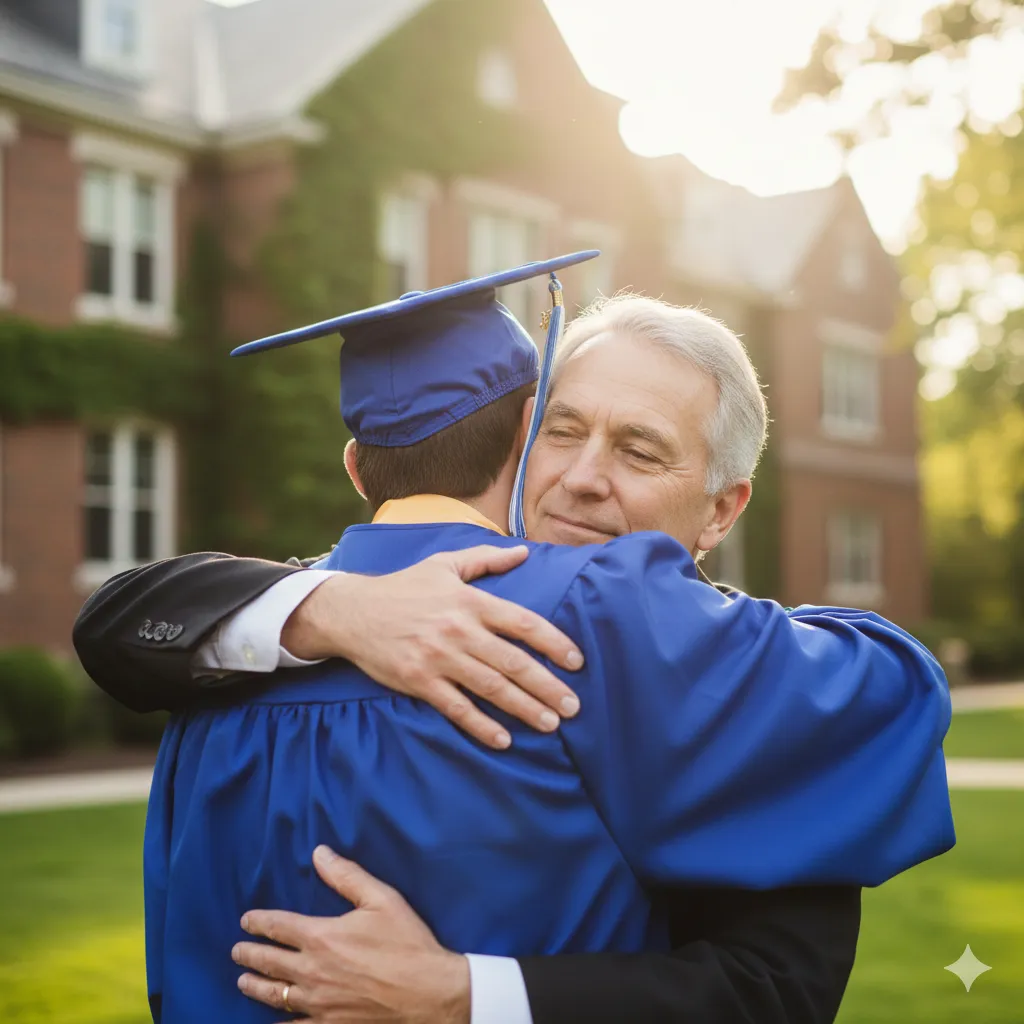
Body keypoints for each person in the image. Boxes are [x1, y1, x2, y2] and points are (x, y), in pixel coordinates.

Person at [76, 262, 953, 1024]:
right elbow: (124, 619)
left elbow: (770, 991)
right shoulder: (281, 624)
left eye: (640, 452)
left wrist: (466, 998)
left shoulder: (220, 673)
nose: (580, 478)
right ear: (522, 432)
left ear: (724, 508)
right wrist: (335, 609)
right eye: (564, 431)